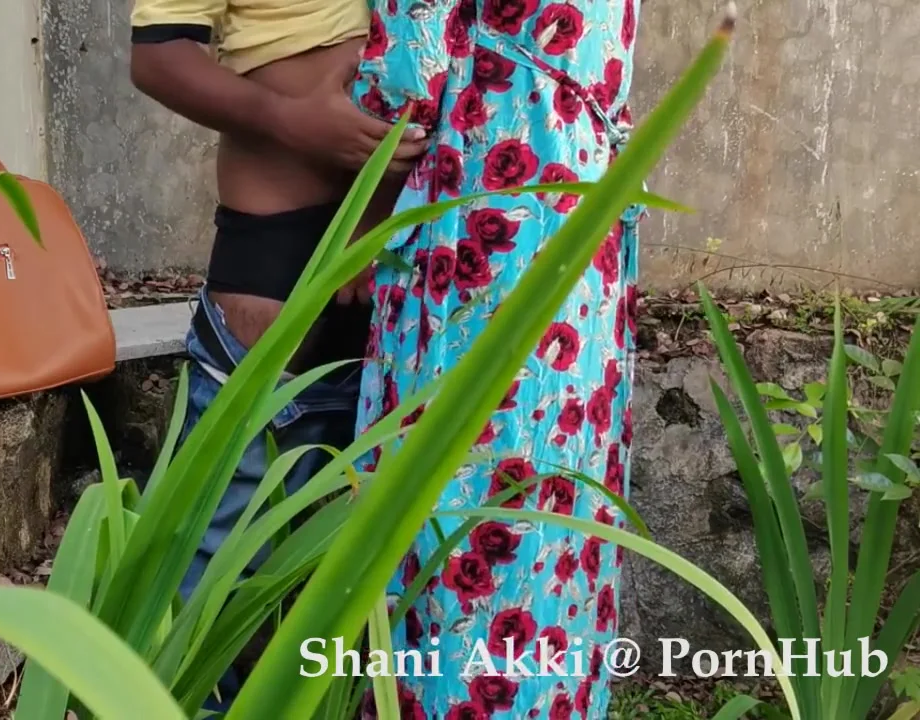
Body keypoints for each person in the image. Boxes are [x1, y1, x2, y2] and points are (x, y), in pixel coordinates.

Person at [127, 0, 427, 710]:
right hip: (275, 267)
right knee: (210, 557)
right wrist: (291, 122)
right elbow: (158, 55)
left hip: (424, 269)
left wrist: (381, 196)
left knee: (368, 564)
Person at [350, 0, 644, 717]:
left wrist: (360, 220)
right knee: (554, 482)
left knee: (461, 489)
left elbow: (406, 78)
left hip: (485, 209)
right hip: (582, 199)